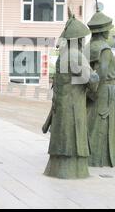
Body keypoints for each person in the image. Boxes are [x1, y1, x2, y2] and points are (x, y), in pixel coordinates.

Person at [42, 12, 99, 179]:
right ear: (79, 39)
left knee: (64, 139)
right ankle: (72, 170)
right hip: (73, 106)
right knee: (71, 139)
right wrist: (95, 75)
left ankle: (60, 169)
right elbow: (92, 81)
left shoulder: (64, 55)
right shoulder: (75, 56)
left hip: (63, 105)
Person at [85, 9, 115, 168]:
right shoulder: (104, 49)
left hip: (92, 91)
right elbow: (102, 74)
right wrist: (95, 92)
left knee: (91, 123)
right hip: (104, 91)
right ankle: (99, 159)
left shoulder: (87, 47)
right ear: (103, 31)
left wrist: (89, 93)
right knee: (102, 125)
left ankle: (90, 156)